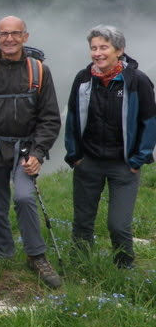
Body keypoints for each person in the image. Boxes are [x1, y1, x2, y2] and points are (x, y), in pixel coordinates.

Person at [0, 16, 62, 288]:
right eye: (4, 34)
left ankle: (36, 256)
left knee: (25, 197)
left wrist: (38, 153)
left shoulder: (39, 71)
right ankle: (2, 254)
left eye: (15, 33)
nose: (9, 39)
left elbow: (50, 118)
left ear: (25, 37)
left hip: (26, 149)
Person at [65, 25, 156, 269]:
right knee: (83, 221)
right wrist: (75, 156)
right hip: (88, 162)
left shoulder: (137, 81)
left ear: (119, 50)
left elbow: (149, 122)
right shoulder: (83, 79)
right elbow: (72, 118)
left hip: (123, 165)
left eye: (104, 47)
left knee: (118, 224)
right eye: (93, 48)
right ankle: (80, 266)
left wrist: (138, 160)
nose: (97, 53)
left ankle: (123, 268)